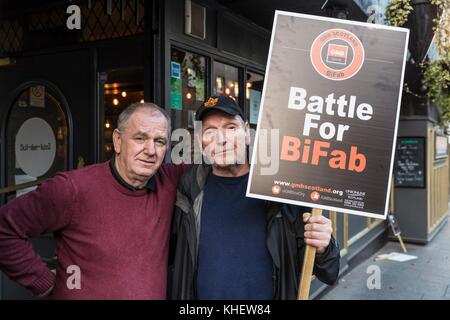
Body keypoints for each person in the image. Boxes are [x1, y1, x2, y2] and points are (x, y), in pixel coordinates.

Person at [0, 102, 187, 299]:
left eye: (160, 141)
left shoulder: (170, 180)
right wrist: (43, 282)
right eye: (140, 138)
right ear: (117, 140)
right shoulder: (72, 189)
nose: (151, 150)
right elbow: (4, 229)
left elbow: (216, 168)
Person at [169, 96, 340, 300]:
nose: (222, 139)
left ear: (247, 133)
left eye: (231, 127)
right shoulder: (189, 190)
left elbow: (327, 271)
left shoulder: (280, 189)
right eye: (210, 131)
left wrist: (323, 247)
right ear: (200, 141)